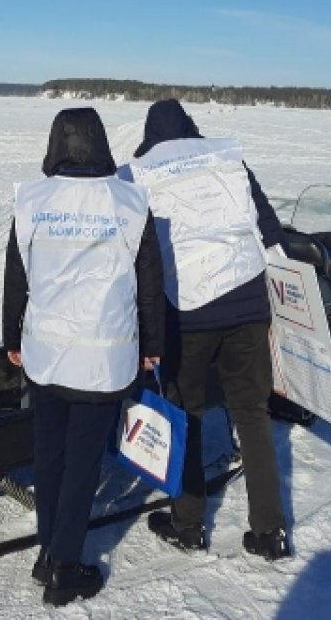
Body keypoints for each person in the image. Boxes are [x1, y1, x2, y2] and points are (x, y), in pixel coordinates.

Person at [3, 107, 165, 606]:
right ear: (100, 143)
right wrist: (153, 346)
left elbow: (16, 276)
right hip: (102, 358)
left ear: (56, 143)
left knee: (49, 457)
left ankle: (48, 549)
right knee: (82, 463)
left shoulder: (32, 200)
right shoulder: (130, 202)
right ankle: (64, 566)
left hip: (46, 356)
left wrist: (11, 336)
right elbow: (150, 285)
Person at [121, 98, 291, 561]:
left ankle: (189, 523)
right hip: (248, 304)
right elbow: (269, 229)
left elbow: (131, 250)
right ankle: (269, 532)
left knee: (187, 414)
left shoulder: (139, 173)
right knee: (253, 414)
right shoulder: (229, 162)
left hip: (187, 314)